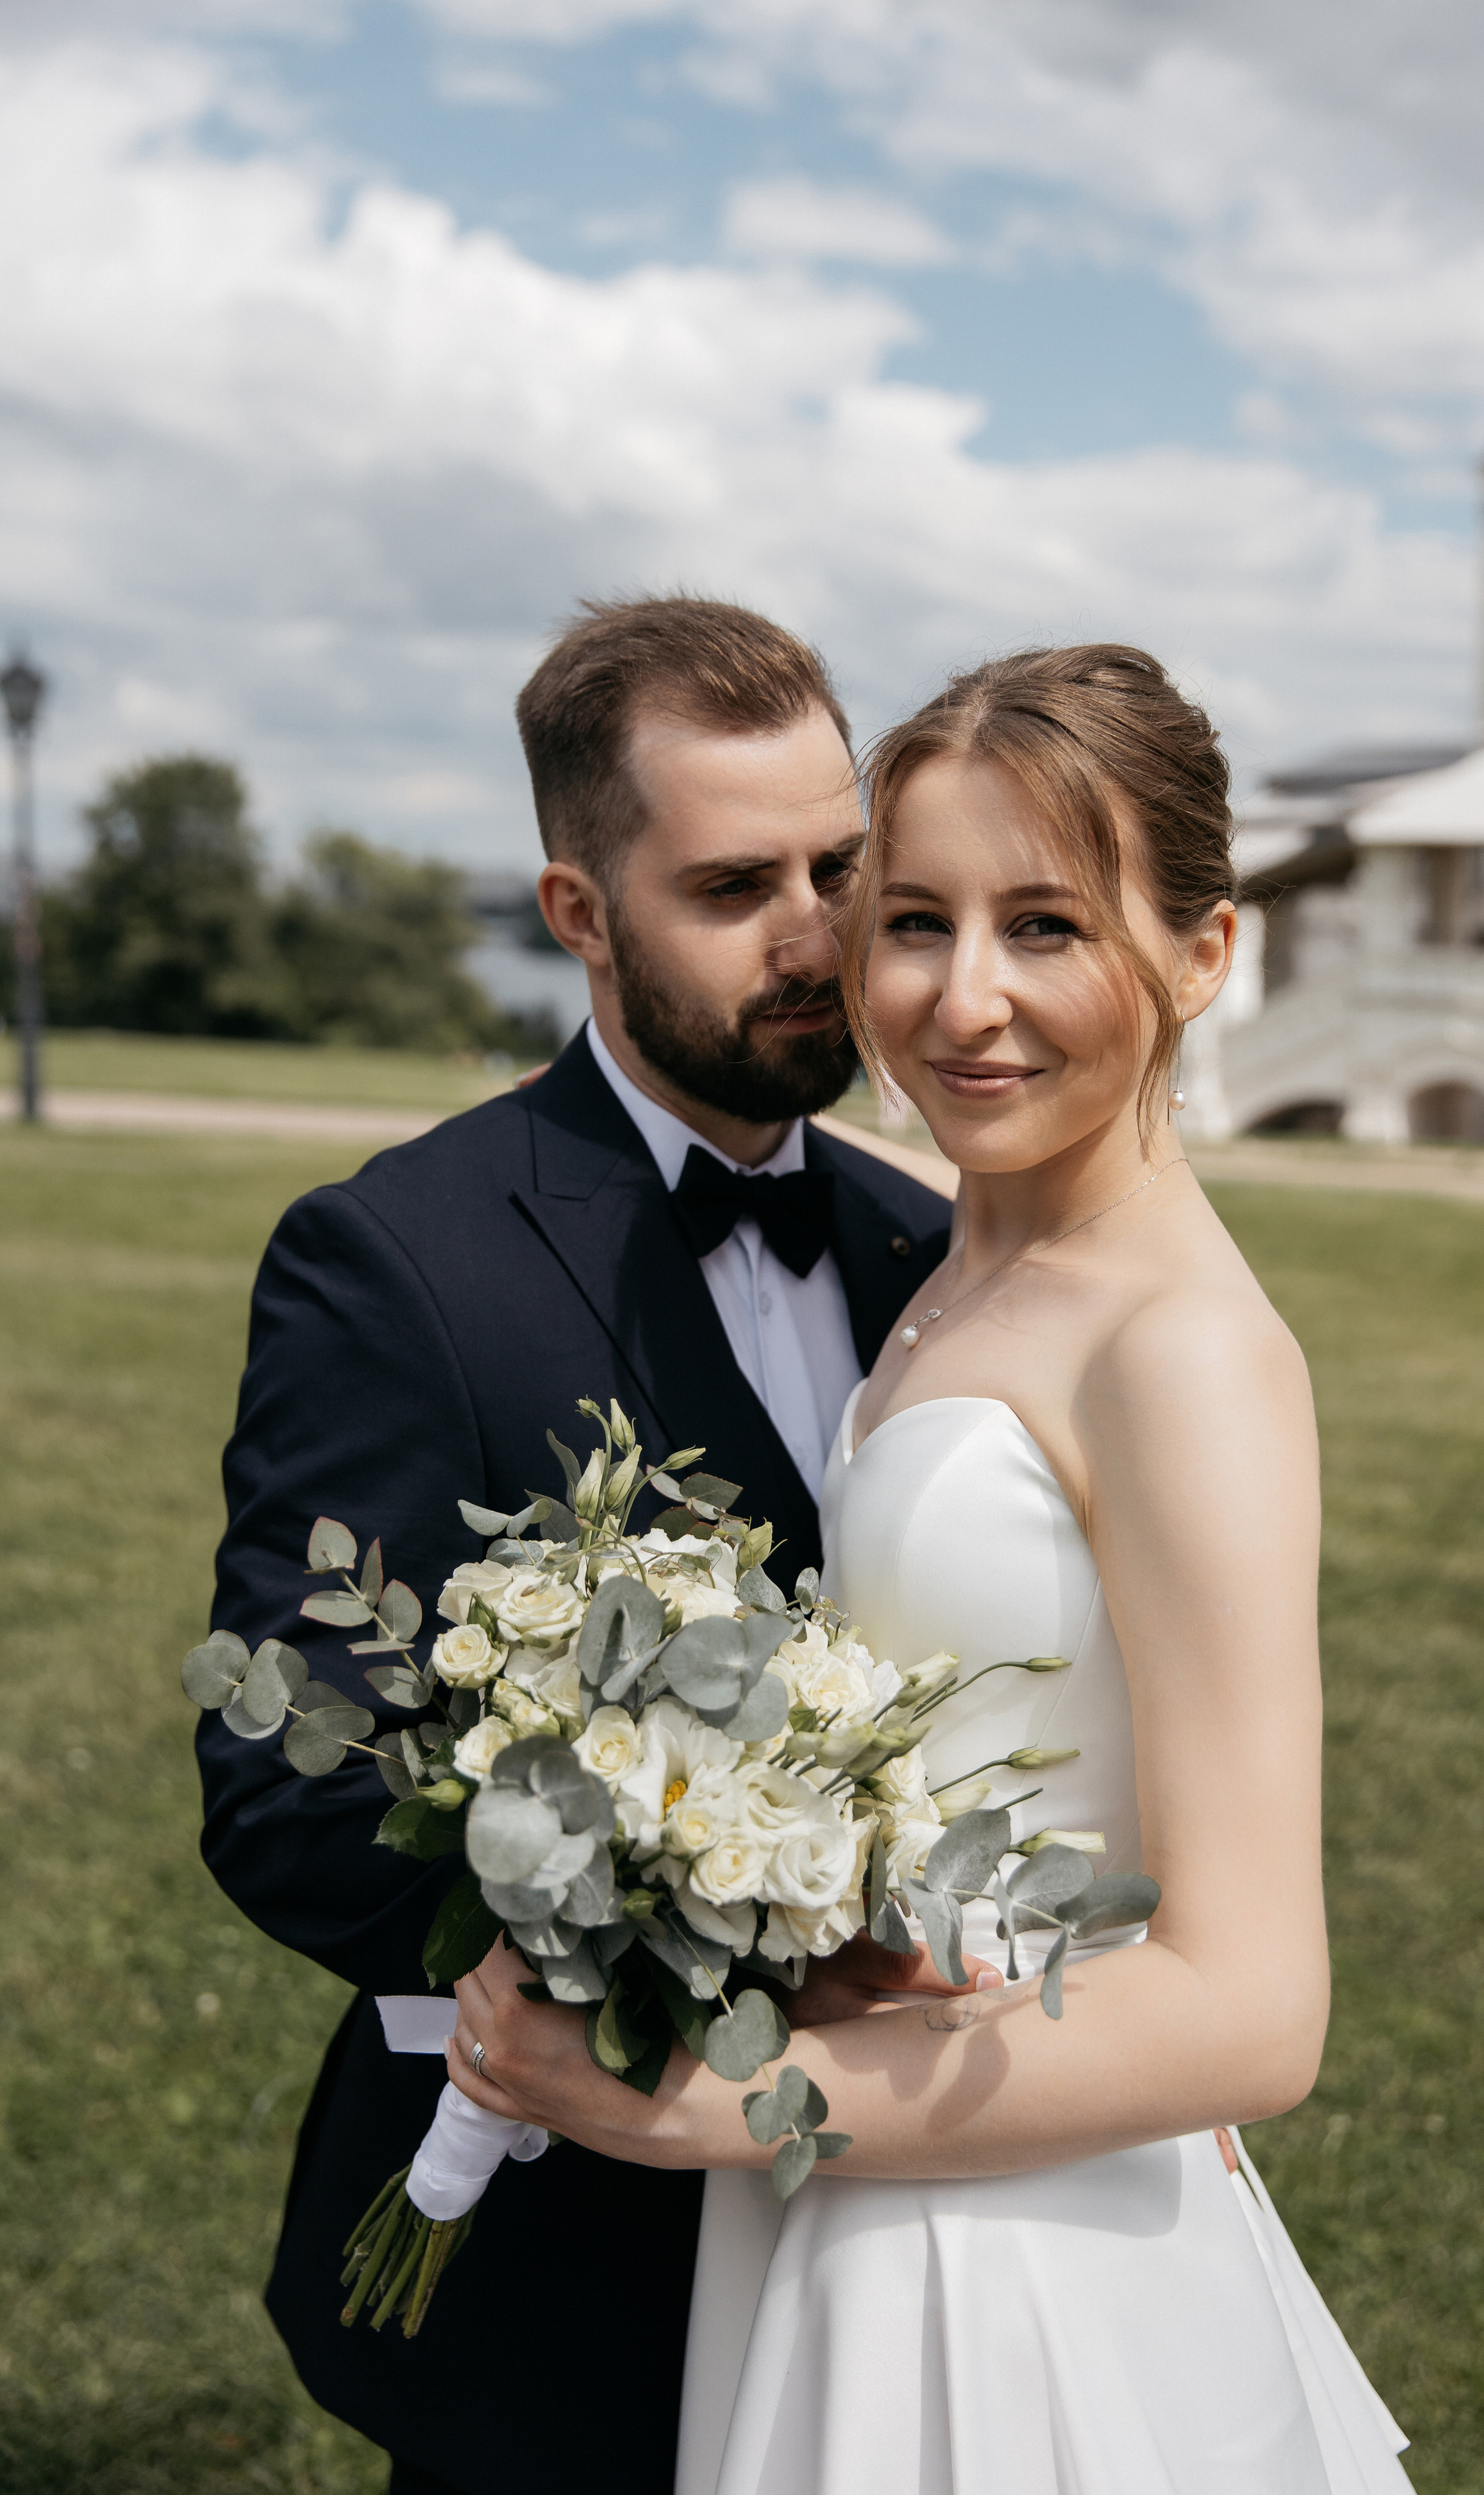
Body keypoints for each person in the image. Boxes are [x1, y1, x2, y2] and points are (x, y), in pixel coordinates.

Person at [446, 644, 1417, 2493]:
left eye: (1047, 925)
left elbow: (1253, 2005)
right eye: (915, 924)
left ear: (1204, 953)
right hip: (878, 2168)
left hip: (1015, 2239)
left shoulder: (1178, 1349)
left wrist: (701, 2102)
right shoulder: (953, 1277)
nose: (965, 1001)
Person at [198, 596, 962, 2495]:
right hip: (561, 2240)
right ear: (578, 912)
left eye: (839, 868)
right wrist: (685, 1909)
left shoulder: (935, 1247)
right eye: (731, 886)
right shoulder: (399, 1260)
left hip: (900, 2210)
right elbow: (288, 1791)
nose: (816, 935)